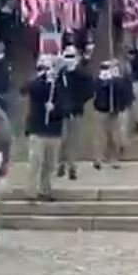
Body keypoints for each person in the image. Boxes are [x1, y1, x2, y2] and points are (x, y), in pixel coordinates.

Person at [25, 54, 68, 202]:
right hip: (38, 129)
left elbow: (64, 106)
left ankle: (45, 190)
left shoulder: (60, 85)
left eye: (50, 66)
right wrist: (44, 79)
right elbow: (30, 90)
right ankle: (31, 191)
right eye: (44, 66)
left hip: (54, 130)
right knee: (36, 162)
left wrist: (54, 108)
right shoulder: (36, 83)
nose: (47, 69)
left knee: (50, 164)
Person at [56, 46, 93, 181]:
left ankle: (72, 167)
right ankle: (60, 163)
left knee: (73, 141)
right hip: (61, 112)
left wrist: (78, 103)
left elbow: (89, 90)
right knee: (62, 140)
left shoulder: (82, 73)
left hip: (75, 111)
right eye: (67, 56)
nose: (69, 60)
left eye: (72, 56)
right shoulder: (61, 74)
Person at [92, 59, 133, 171]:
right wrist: (102, 81)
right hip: (101, 111)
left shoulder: (119, 81)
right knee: (100, 137)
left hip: (114, 112)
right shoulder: (98, 81)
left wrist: (115, 81)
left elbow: (123, 93)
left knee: (114, 137)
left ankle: (114, 159)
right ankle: (98, 159)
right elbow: (94, 91)